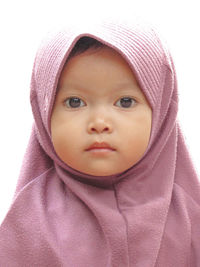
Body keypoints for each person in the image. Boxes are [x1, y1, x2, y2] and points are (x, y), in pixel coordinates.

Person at [0, 17, 199, 266]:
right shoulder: (28, 224)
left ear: (161, 111)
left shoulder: (191, 218)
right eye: (75, 102)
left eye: (125, 101)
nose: (99, 122)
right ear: (43, 112)